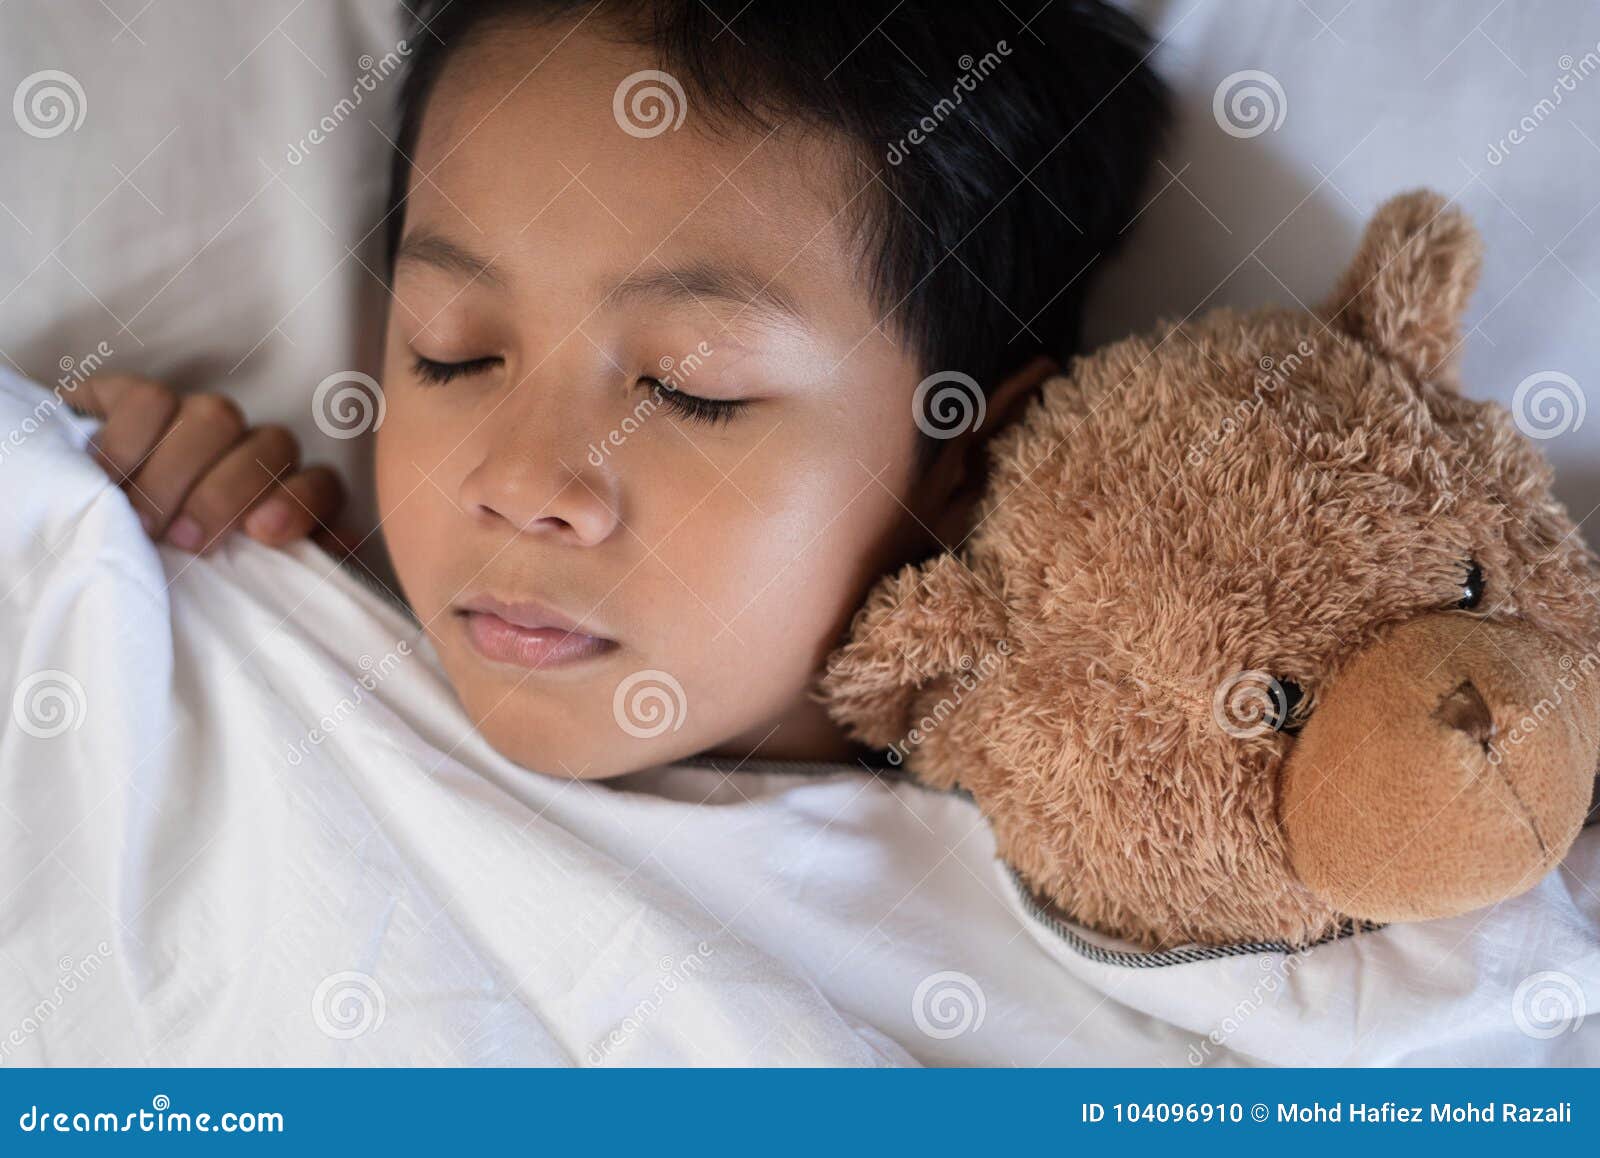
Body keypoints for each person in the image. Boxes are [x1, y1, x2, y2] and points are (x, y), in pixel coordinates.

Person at [70, 0, 1168, 776]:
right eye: (454, 353)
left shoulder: (1054, 940)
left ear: (968, 460)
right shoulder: (255, 642)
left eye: (690, 390)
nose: (518, 481)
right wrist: (91, 493)